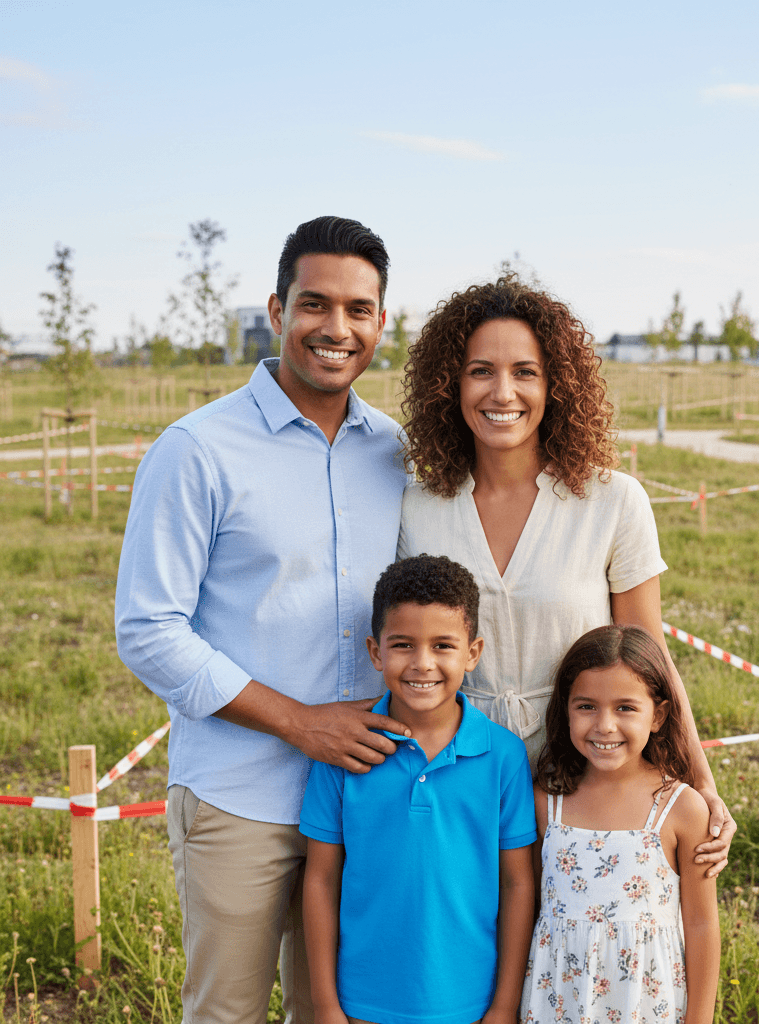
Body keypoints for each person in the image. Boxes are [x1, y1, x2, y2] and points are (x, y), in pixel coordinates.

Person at [115, 216, 412, 1024]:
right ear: (277, 311)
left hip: (361, 800)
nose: (336, 329)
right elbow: (147, 629)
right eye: (316, 304)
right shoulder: (197, 449)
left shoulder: (396, 454)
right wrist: (296, 723)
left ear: (382, 323)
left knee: (337, 1012)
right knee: (228, 1013)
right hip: (239, 797)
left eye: (359, 310)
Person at [398, 274, 735, 877]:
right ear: (450, 383)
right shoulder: (416, 506)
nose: (503, 392)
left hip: (580, 784)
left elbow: (648, 651)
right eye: (481, 370)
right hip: (451, 775)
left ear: (557, 386)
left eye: (525, 371)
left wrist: (701, 782)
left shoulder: (614, 501)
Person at [301, 554, 536, 1024]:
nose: (423, 663)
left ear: (473, 652)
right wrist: (326, 1005)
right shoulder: (345, 751)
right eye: (403, 645)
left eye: (443, 645)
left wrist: (504, 1005)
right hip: (363, 1002)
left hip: (469, 1004)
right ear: (375, 651)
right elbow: (321, 880)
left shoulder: (503, 756)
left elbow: (518, 883)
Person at [521, 624, 721, 1024]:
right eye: (586, 706)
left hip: (645, 1005)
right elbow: (531, 906)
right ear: (566, 710)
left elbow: (701, 925)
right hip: (557, 1001)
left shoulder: (681, 809)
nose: (604, 725)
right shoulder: (547, 801)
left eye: (625, 708)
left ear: (658, 715)